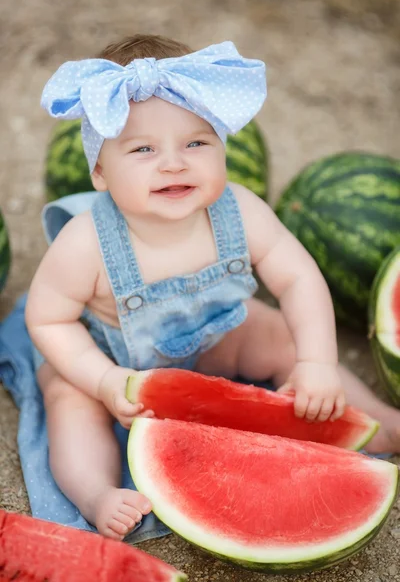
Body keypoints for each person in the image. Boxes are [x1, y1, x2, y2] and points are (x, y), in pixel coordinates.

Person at [26, 34, 400, 541]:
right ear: (99, 171)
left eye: (196, 142)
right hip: (112, 358)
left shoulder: (240, 210)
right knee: (69, 402)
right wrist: (101, 379)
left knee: (281, 336)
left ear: (222, 145)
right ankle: (96, 493)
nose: (174, 163)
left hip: (218, 337)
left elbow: (298, 277)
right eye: (143, 149)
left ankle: (377, 420)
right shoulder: (85, 243)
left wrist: (315, 362)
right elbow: (48, 319)